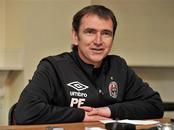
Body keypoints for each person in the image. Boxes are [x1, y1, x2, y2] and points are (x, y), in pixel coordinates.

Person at [14, 5, 164, 124]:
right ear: (75, 36)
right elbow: (25, 112)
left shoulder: (118, 66)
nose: (98, 41)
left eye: (106, 33)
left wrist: (108, 111)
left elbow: (155, 105)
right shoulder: (53, 67)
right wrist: (81, 115)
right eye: (90, 32)